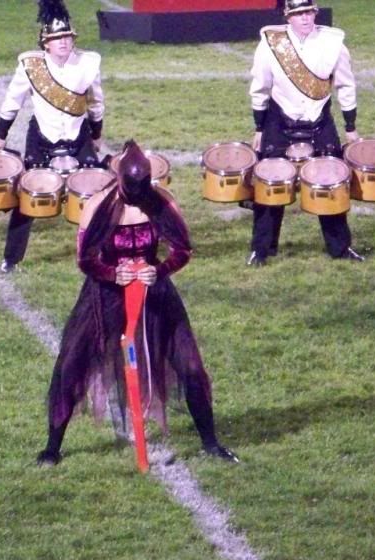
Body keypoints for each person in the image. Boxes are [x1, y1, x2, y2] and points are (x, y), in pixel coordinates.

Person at [36, 141, 238, 466]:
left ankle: (211, 442)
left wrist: (158, 270)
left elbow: (183, 249)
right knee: (72, 363)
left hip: (154, 292)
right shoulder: (98, 205)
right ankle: (52, 447)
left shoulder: (162, 202)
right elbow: (85, 259)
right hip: (104, 295)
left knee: (189, 365)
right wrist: (111, 273)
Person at [247, 0, 364, 266]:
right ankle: (261, 249)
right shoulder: (270, 43)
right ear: (288, 17)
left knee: (332, 184)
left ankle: (340, 248)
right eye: (298, 13)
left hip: (320, 122)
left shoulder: (334, 43)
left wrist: (350, 127)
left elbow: (346, 86)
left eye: (309, 12)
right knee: (268, 185)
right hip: (279, 122)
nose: (305, 18)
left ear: (315, 13)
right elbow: (260, 87)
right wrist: (259, 127)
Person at [0, 0, 105, 273]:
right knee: (27, 195)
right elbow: (12, 101)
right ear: (46, 43)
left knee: (97, 192)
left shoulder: (88, 64)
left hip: (78, 136)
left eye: (67, 36)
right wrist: (1, 136)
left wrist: (97, 135)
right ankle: (11, 259)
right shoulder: (31, 65)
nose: (63, 42)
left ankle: (99, 254)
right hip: (42, 137)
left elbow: (96, 103)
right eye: (57, 38)